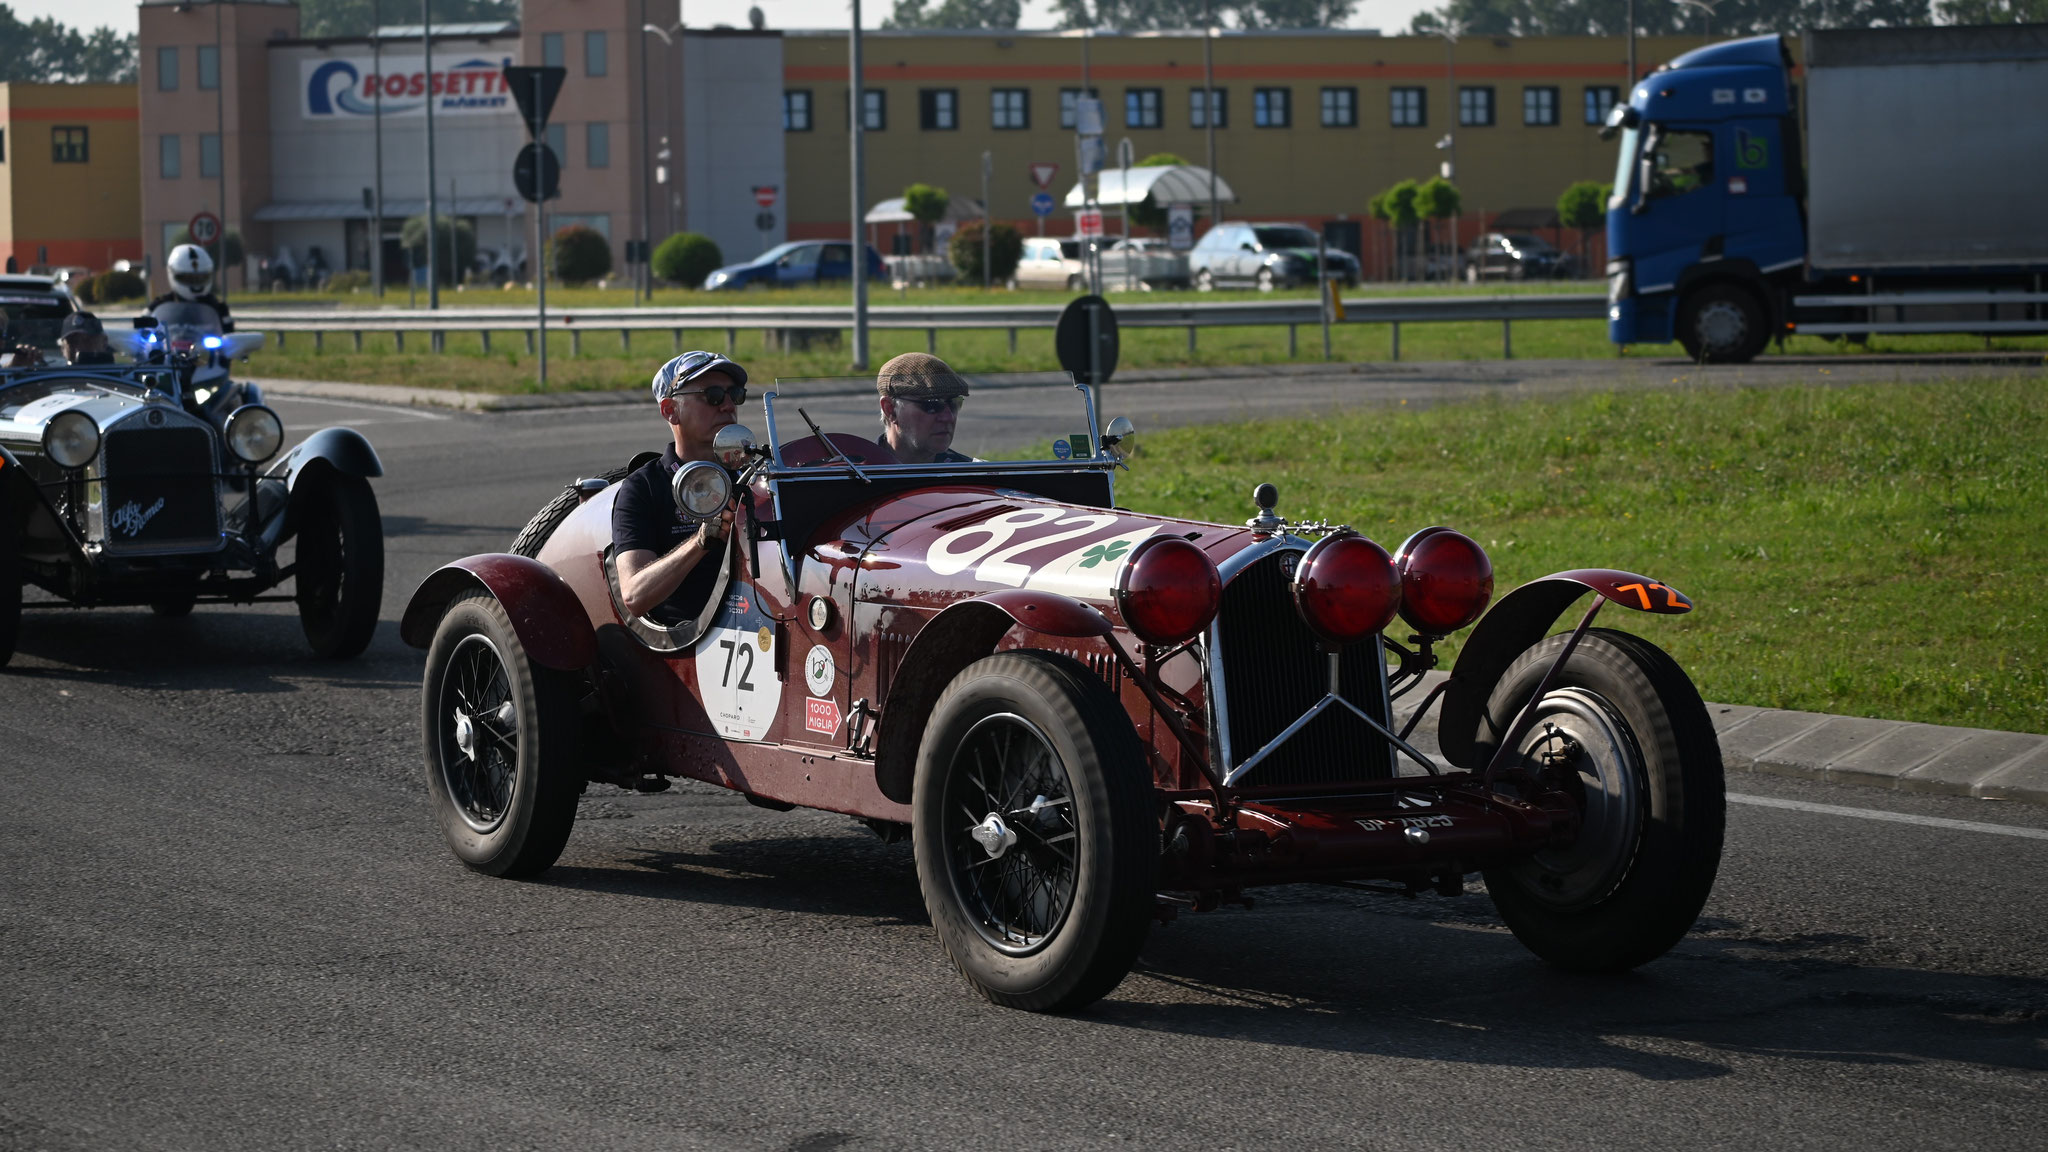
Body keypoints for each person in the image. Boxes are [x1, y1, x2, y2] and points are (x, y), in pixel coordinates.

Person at [612, 350, 746, 623]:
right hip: (688, 644)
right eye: (713, 396)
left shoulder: (753, 476)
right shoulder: (643, 487)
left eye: (735, 395)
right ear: (670, 411)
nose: (728, 405)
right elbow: (635, 595)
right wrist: (699, 542)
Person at [875, 352, 972, 464]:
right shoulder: (856, 474)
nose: (948, 417)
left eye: (954, 403)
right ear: (890, 409)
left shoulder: (971, 475)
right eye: (931, 405)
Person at [148, 244, 235, 332]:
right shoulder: (158, 305)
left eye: (201, 278)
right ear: (172, 274)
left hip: (202, 345)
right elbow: (141, 333)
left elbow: (230, 336)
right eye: (188, 278)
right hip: (169, 345)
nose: (195, 283)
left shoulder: (218, 307)